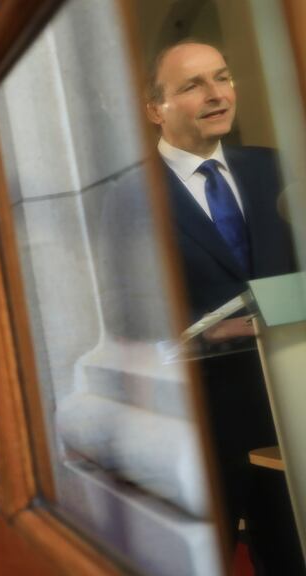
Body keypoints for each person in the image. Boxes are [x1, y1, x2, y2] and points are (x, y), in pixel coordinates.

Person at [146, 40, 300, 574]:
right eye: (193, 86)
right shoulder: (128, 196)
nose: (217, 95)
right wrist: (201, 334)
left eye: (223, 77)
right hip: (195, 420)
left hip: (288, 406)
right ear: (155, 109)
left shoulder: (273, 169)